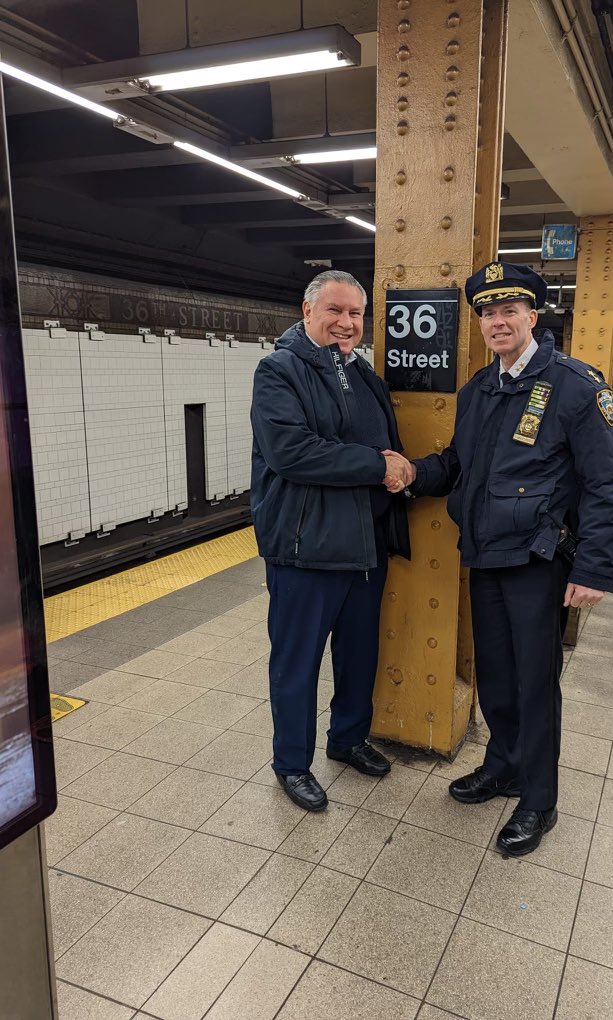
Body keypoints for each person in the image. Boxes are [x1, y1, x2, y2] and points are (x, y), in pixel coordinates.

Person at [388, 262, 613, 856]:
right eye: (488, 313)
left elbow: (607, 483)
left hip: (539, 561)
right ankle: (503, 766)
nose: (497, 322)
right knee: (495, 675)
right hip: (487, 555)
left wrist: (594, 569)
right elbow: (461, 465)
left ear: (532, 316)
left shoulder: (576, 386)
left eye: (508, 311)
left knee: (535, 683)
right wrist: (413, 474)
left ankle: (539, 799)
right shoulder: (480, 389)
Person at [250, 270, 413, 812]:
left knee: (359, 652)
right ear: (307, 309)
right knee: (297, 662)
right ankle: (292, 764)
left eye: (355, 315)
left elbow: (385, 442)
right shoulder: (280, 370)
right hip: (306, 547)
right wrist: (377, 464)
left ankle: (346, 739)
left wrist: (398, 470)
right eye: (335, 311)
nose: (346, 323)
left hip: (364, 545)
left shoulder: (360, 373)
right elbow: (292, 452)